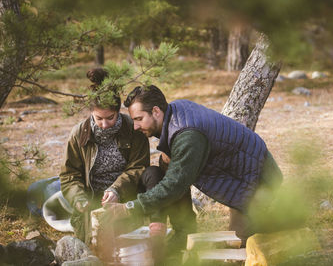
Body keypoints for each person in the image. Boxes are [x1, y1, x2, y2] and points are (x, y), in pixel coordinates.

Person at [104, 84, 283, 249]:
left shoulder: (187, 136)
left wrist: (130, 208)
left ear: (156, 111)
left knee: (243, 247)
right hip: (242, 175)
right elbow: (173, 170)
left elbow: (174, 185)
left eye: (139, 119)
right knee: (166, 161)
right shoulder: (174, 111)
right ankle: (184, 232)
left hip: (259, 181)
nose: (135, 126)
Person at [59, 68, 151, 244]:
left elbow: (139, 168)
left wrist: (116, 190)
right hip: (91, 203)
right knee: (95, 247)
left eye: (110, 117)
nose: (104, 124)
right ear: (91, 112)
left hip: (126, 198)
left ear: (118, 110)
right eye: (98, 118)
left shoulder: (133, 129)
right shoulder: (79, 134)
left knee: (127, 245)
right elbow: (69, 176)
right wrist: (79, 199)